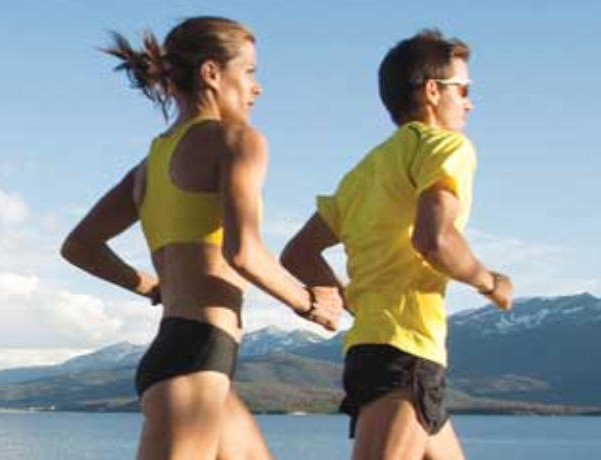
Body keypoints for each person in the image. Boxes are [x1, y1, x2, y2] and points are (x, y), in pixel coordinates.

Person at [61, 16, 344, 460]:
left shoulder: (149, 165)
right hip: (196, 359)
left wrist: (153, 286)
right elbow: (243, 252)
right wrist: (309, 303)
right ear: (212, 73)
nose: (257, 88)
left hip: (189, 354)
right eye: (248, 71)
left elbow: (80, 246)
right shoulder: (236, 140)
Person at [280, 29, 514, 460]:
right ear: (432, 91)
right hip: (406, 350)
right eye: (463, 89)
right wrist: (490, 282)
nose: (469, 102)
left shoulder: (365, 171)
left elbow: (299, 253)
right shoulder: (446, 146)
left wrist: (350, 300)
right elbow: (435, 240)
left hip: (373, 348)